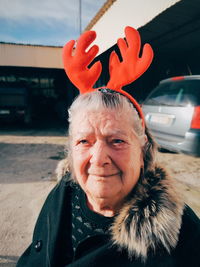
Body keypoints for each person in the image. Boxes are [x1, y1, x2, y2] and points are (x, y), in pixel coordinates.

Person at [16, 26, 200, 267]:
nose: (99, 158)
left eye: (117, 141)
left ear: (143, 152)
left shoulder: (183, 239)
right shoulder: (63, 192)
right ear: (71, 151)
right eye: (84, 141)